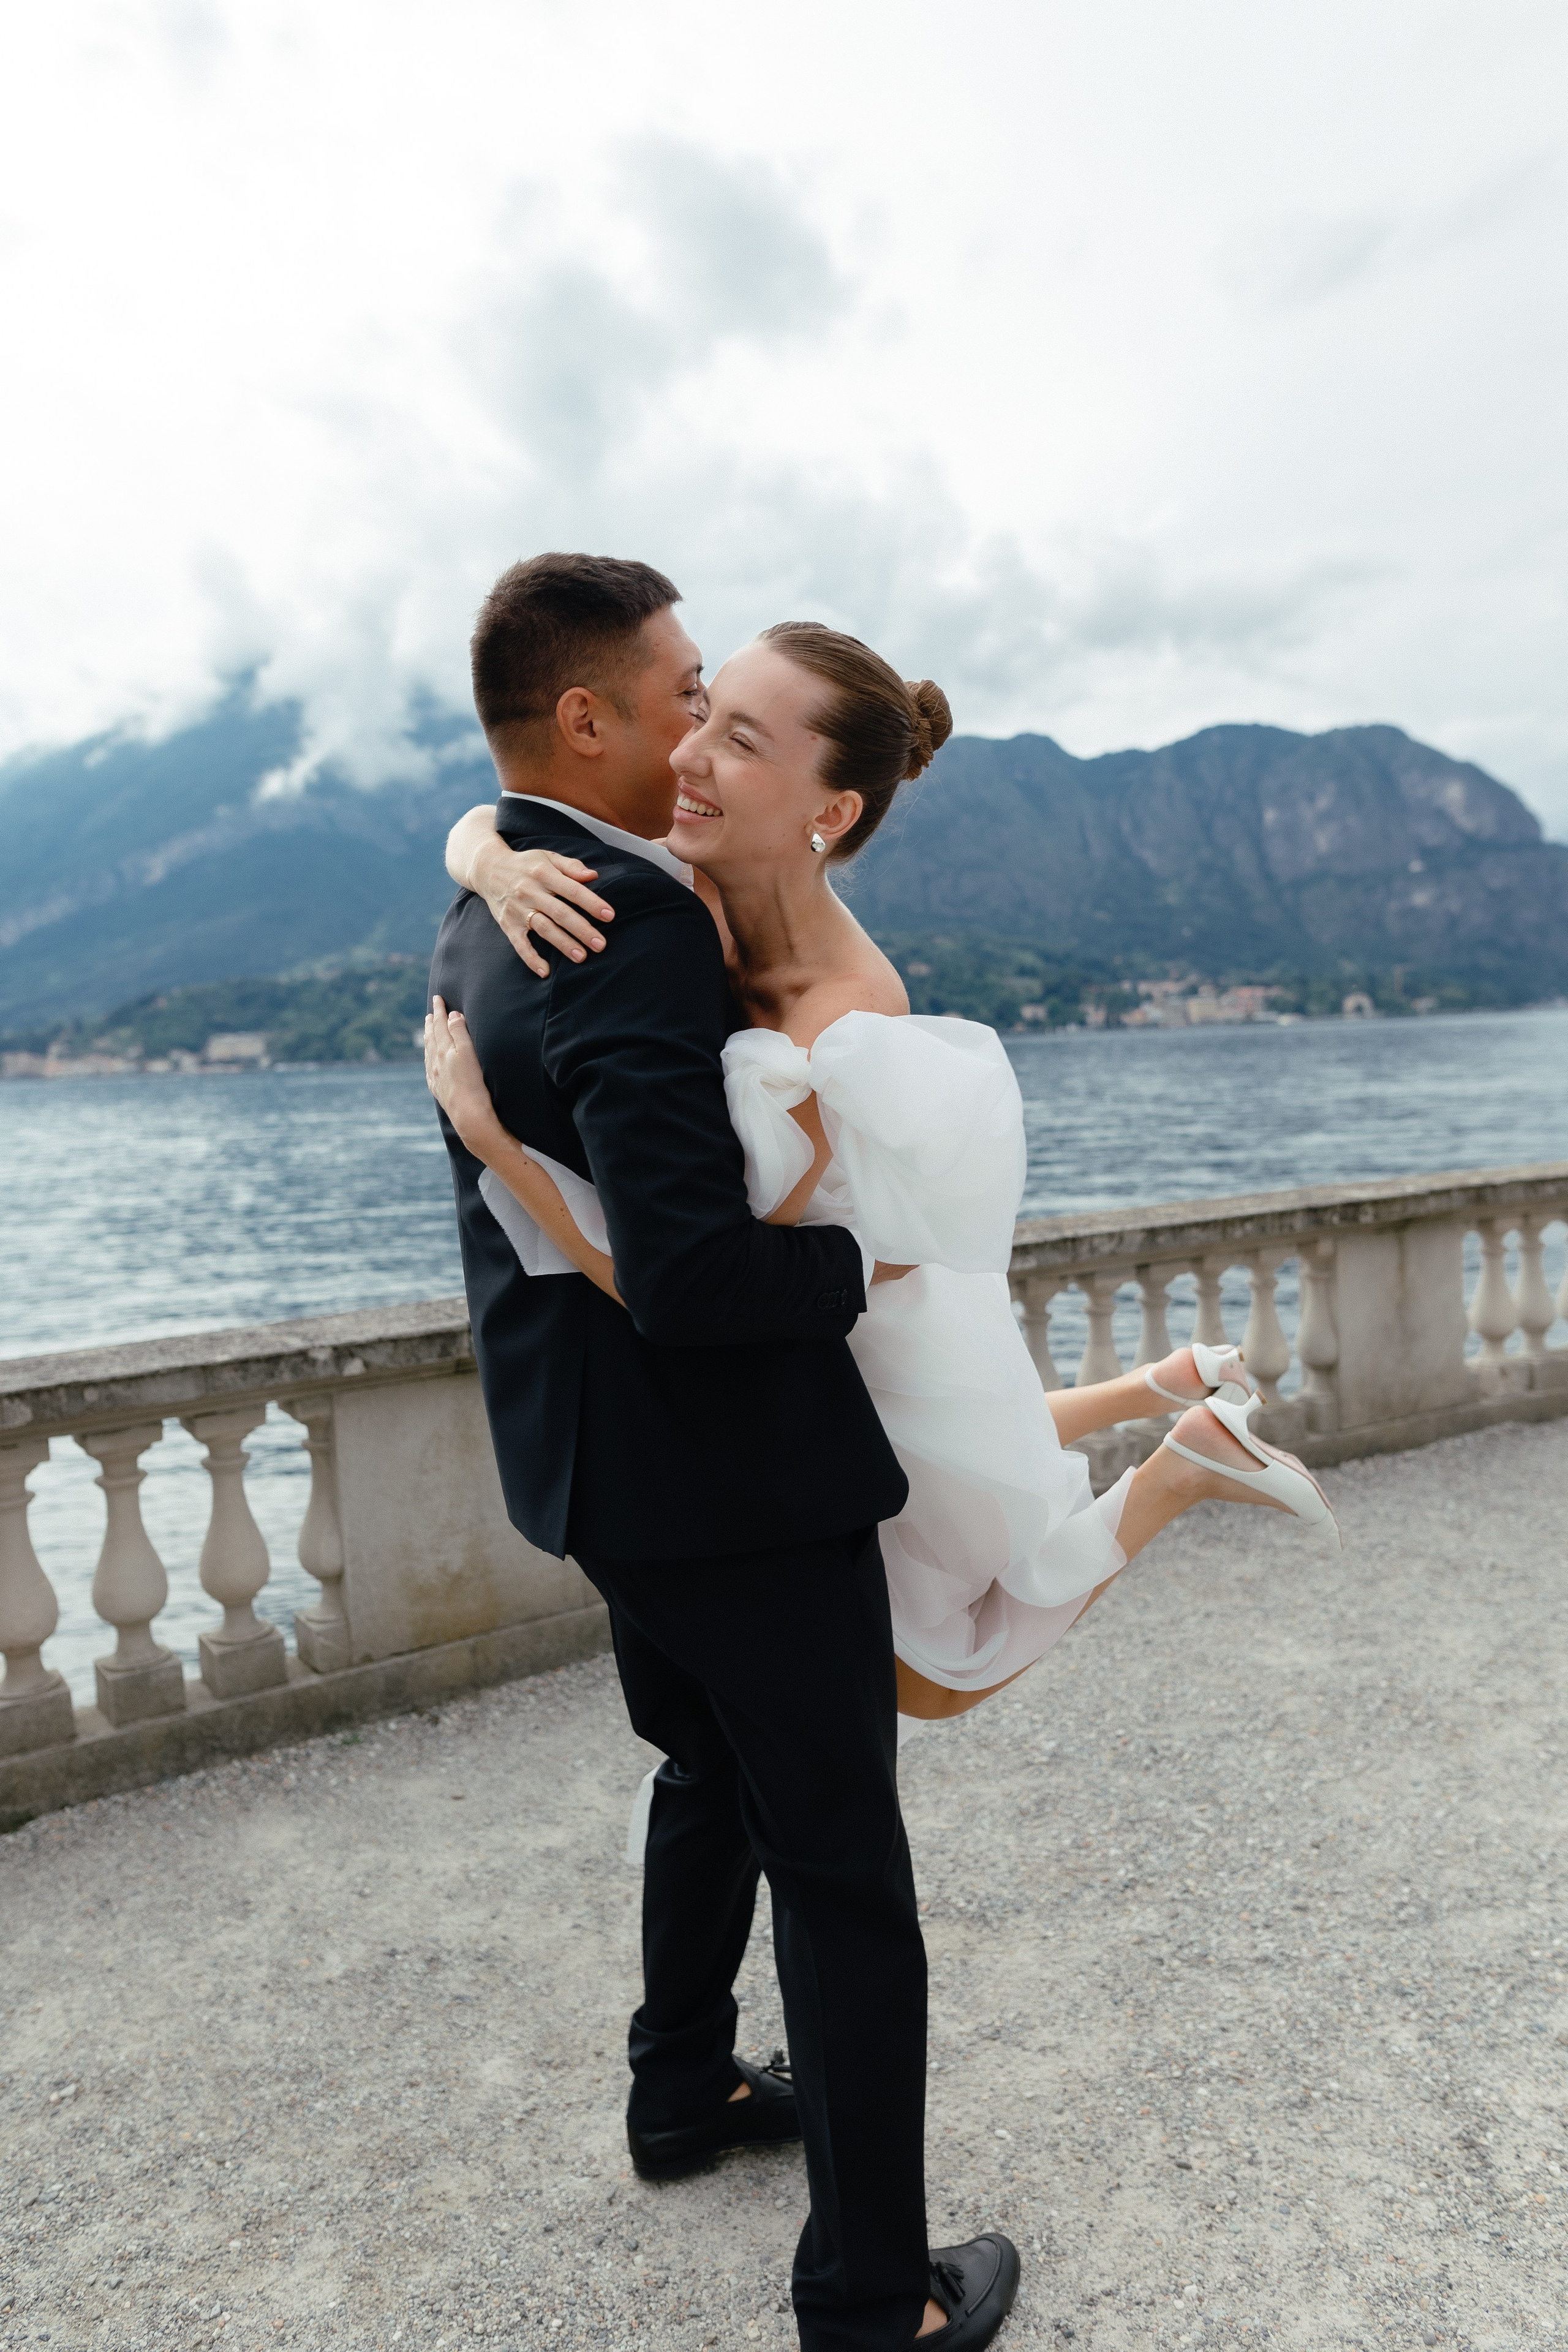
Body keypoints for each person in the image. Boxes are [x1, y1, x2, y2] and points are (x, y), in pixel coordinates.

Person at [428, 554, 1017, 2352]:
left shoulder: (495, 903)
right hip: (734, 1482)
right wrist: (869, 1268)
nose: (693, 732)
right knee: (842, 1876)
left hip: (598, 1469)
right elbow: (695, 1282)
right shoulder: (631, 913)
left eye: (730, 717)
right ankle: (870, 2303)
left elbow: (494, 823)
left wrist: (479, 848)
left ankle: (680, 2086)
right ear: (583, 717)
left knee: (703, 1768)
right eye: (689, 696)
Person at [431, 624, 1338, 1723]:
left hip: (863, 1338)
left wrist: (496, 1147)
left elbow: (677, 1277)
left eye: (740, 741)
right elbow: (488, 814)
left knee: (935, 1679)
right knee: (915, 1634)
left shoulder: (841, 1021)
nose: (688, 753)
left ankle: (1180, 1467)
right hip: (839, 1320)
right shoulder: (693, 877)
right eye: (706, 714)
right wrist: (497, 865)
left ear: (830, 811)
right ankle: (1162, 1390)